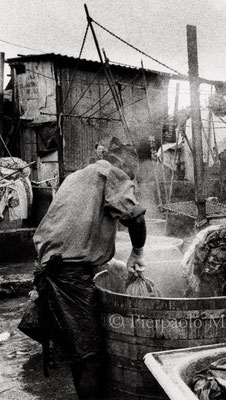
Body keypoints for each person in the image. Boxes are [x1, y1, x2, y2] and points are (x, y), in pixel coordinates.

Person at [29, 137, 147, 399]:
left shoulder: (76, 177)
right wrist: (137, 253)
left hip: (51, 270)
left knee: (78, 353)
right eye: (133, 174)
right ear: (125, 164)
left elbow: (72, 230)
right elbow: (136, 218)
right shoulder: (112, 174)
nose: (132, 181)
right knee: (92, 357)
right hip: (68, 278)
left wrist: (109, 263)